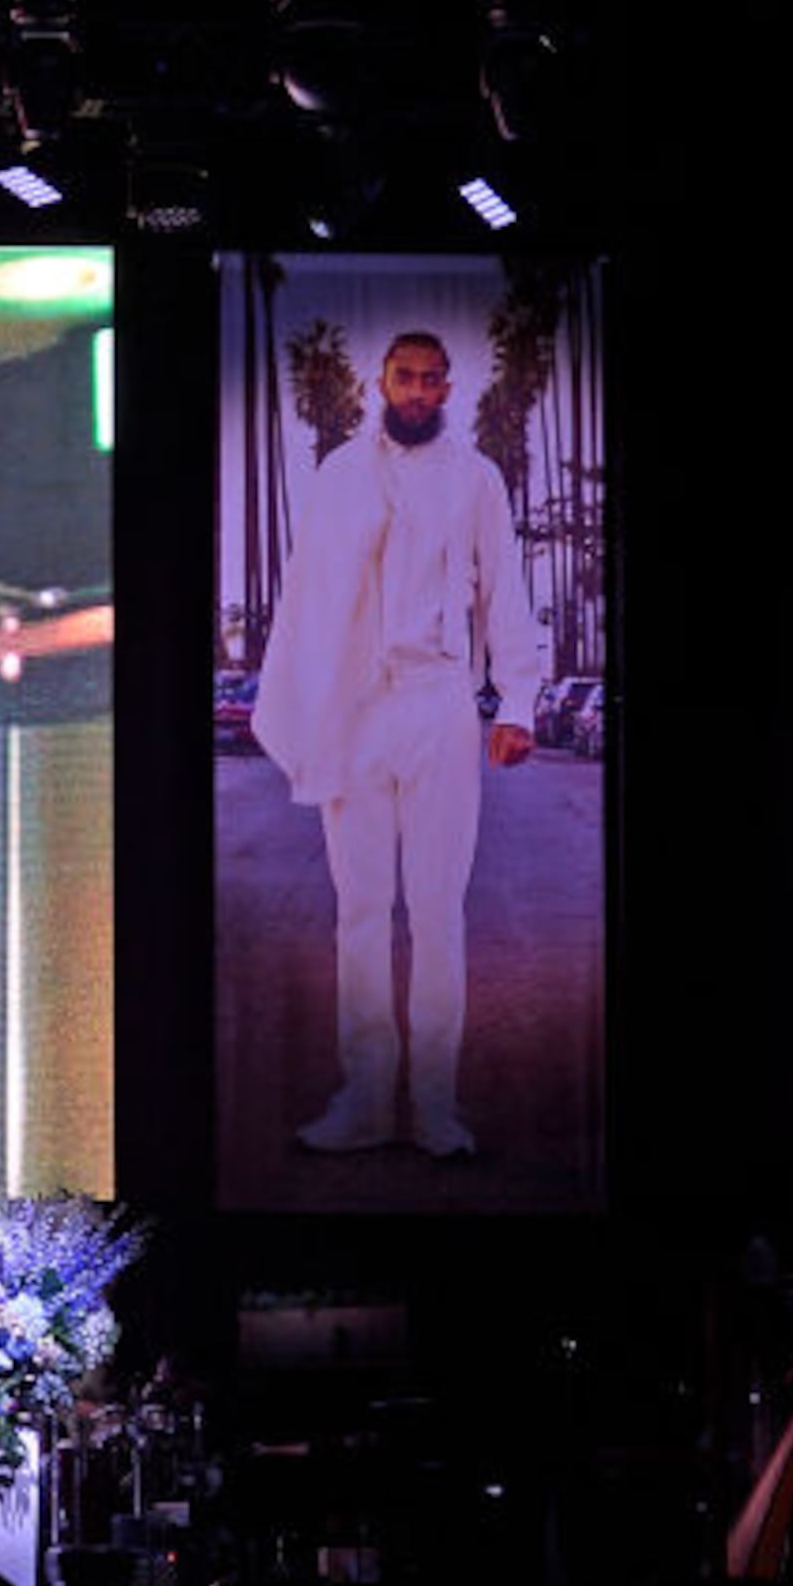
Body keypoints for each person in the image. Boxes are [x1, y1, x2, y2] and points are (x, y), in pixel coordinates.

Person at [250, 328, 544, 1160]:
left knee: (440, 909)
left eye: (430, 380)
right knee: (361, 909)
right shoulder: (340, 475)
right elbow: (307, 599)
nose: (416, 391)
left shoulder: (476, 479)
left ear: (447, 389)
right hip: (356, 706)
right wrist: (306, 709)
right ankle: (368, 1098)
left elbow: (504, 594)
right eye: (403, 378)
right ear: (383, 382)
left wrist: (516, 701)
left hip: (440, 701)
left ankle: (435, 1106)